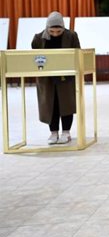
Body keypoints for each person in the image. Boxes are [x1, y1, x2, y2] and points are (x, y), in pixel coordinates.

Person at [31, 11, 80, 145]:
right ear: (47, 28)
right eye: (52, 31)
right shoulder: (38, 38)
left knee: (65, 104)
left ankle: (66, 132)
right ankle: (53, 133)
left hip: (65, 76)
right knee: (50, 105)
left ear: (63, 28)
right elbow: (34, 58)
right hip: (47, 78)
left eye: (59, 31)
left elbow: (77, 53)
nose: (55, 34)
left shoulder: (71, 36)